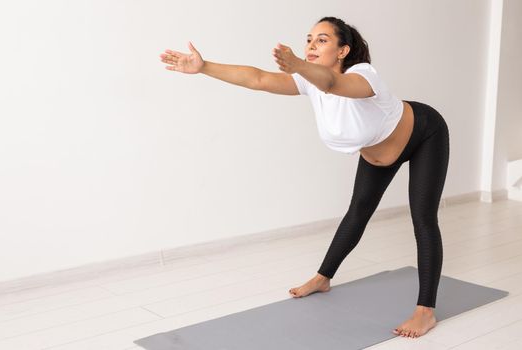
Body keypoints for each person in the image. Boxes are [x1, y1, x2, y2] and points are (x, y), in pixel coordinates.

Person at [159, 16, 449, 339]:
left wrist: (297, 64)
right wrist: (204, 67)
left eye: (322, 40)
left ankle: (425, 311)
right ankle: (323, 277)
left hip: (424, 135)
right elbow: (256, 79)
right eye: (309, 39)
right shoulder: (309, 82)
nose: (311, 44)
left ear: (343, 50)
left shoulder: (363, 74)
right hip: (378, 152)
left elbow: (333, 84)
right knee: (357, 213)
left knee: (423, 218)